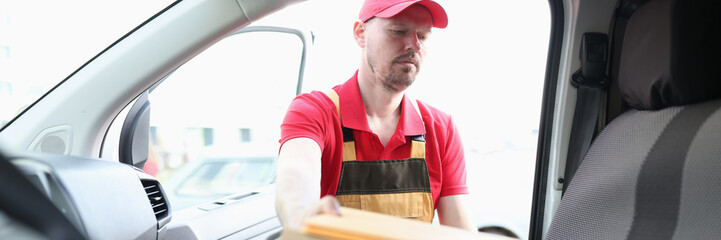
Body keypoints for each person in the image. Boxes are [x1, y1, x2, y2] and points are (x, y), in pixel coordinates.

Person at [276, 0, 474, 231]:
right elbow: (295, 173)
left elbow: (461, 231)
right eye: (398, 31)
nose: (414, 45)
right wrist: (300, 214)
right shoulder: (314, 112)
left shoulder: (441, 128)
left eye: (423, 36)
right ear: (360, 34)